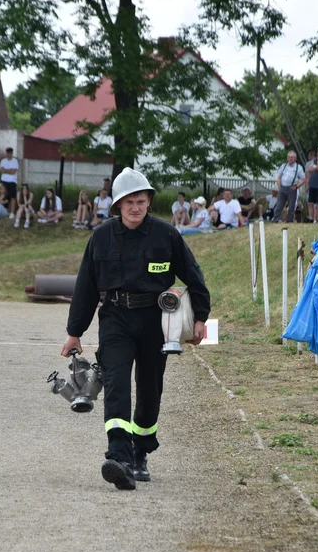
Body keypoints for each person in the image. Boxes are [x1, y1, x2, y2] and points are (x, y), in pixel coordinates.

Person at [61, 167, 210, 491]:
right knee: (116, 382)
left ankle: (141, 452)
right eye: (129, 202)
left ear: (148, 202)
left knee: (149, 387)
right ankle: (119, 456)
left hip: (157, 320)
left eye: (141, 201)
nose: (135, 207)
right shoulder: (101, 237)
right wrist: (75, 331)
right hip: (115, 317)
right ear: (117, 205)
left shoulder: (166, 235)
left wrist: (200, 318)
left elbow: (193, 276)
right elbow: (86, 286)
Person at [273, 151, 305, 223]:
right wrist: (280, 187)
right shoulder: (283, 166)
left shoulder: (298, 167)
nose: (290, 159)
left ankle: (289, 220)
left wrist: (296, 186)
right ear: (287, 158)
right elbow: (278, 177)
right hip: (282, 188)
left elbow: (303, 179)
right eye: (289, 157)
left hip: (292, 188)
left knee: (291, 206)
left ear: (295, 158)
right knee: (279, 205)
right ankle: (275, 220)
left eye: (292, 157)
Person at [0, 147, 19, 218]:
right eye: (7, 153)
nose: (8, 154)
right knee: (3, 196)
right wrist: (8, 170)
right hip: (3, 180)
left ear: (12, 153)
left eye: (10, 153)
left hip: (12, 181)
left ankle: (12, 212)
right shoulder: (3, 161)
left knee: (12, 197)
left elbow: (13, 172)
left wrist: (5, 170)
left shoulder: (15, 161)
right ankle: (4, 211)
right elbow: (1, 170)